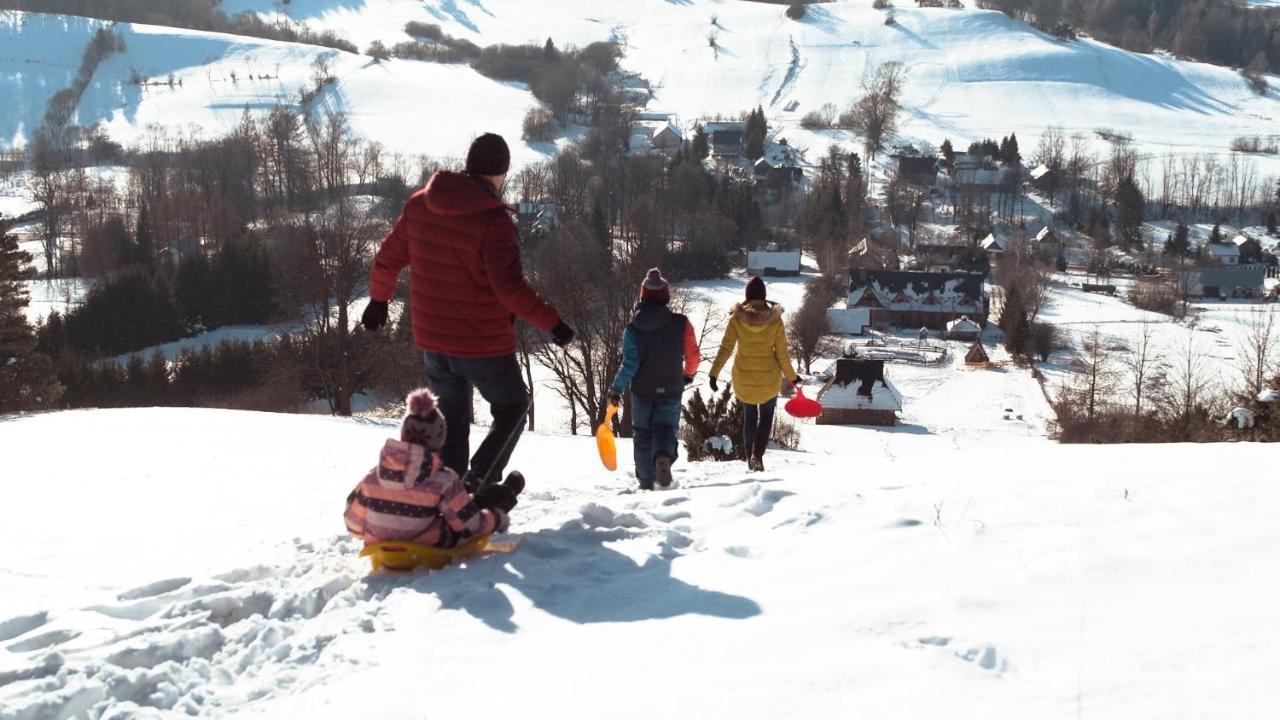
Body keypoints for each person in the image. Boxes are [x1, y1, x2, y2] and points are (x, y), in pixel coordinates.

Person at [361, 133, 574, 491]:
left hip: (433, 342)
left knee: (452, 422)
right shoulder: (493, 223)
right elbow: (509, 288)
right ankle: (480, 478)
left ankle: (449, 490)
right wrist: (553, 323)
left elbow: (386, 260)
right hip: (482, 343)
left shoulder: (419, 206)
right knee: (513, 407)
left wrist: (379, 300)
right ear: (501, 173)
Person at [345, 388, 525, 548]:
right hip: (432, 545)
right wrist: (497, 519)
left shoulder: (372, 478)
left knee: (460, 498)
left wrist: (384, 529)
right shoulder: (443, 480)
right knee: (471, 504)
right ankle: (503, 495)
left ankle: (485, 491)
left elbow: (352, 524)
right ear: (439, 443)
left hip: (380, 547)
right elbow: (470, 524)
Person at [608, 269, 700, 490]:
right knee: (666, 428)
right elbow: (693, 356)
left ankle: (646, 482)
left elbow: (629, 365)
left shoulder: (632, 329)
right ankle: (663, 456)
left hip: (643, 391)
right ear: (665, 296)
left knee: (642, 435)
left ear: (643, 297)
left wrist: (616, 390)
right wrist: (687, 374)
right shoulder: (681, 323)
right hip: (671, 387)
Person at [708, 276, 800, 472]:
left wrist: (714, 373)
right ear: (764, 296)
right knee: (766, 418)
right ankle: (757, 455)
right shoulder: (775, 321)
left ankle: (750, 458)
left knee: (750, 417)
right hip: (769, 380)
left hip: (744, 379)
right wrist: (792, 377)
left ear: (747, 296)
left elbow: (725, 348)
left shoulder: (737, 319)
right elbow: (782, 354)